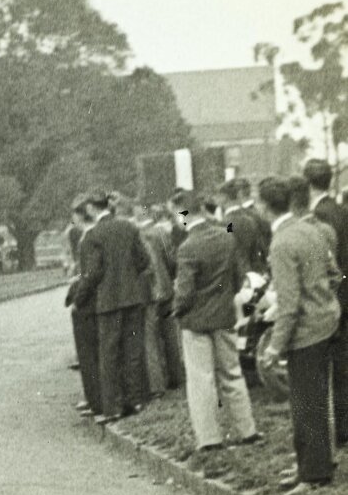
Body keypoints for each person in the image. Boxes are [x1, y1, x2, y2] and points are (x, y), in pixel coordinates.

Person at [258, 176, 340, 495]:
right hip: (325, 322)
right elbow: (335, 274)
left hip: (305, 331)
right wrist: (322, 300)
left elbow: (289, 305)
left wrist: (273, 348)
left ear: (265, 207)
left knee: (306, 404)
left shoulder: (281, 242)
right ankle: (311, 463)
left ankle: (314, 474)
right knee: (313, 399)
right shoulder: (312, 229)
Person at [170, 190, 259, 455]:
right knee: (232, 373)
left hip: (195, 322)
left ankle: (209, 439)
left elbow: (185, 292)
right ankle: (247, 430)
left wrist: (176, 311)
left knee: (202, 380)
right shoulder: (226, 237)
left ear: (182, 214)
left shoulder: (187, 247)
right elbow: (239, 278)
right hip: (224, 317)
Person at [73, 189, 150, 424]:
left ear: (90, 208)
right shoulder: (129, 227)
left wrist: (80, 297)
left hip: (108, 302)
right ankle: (136, 401)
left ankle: (113, 407)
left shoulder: (94, 234)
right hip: (132, 298)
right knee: (133, 350)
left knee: (109, 355)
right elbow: (143, 260)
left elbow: (94, 272)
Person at [303, 158, 348, 448]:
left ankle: (341, 429)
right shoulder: (339, 208)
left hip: (334, 296)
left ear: (308, 184)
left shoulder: (320, 215)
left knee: (332, 368)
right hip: (344, 292)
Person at [135, 201, 184, 396]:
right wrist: (170, 279)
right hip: (165, 289)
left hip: (148, 292)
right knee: (170, 334)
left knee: (150, 339)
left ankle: (156, 385)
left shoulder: (136, 235)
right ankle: (176, 376)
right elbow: (172, 260)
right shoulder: (161, 233)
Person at [65, 196, 101, 417]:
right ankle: (93, 397)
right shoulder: (90, 236)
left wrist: (78, 298)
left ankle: (95, 399)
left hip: (88, 302)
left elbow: (89, 274)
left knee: (88, 353)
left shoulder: (88, 238)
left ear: (80, 215)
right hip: (93, 300)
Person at [218, 179, 269, 275]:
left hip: (237, 274)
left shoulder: (226, 223)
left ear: (223, 198)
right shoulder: (253, 217)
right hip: (257, 271)